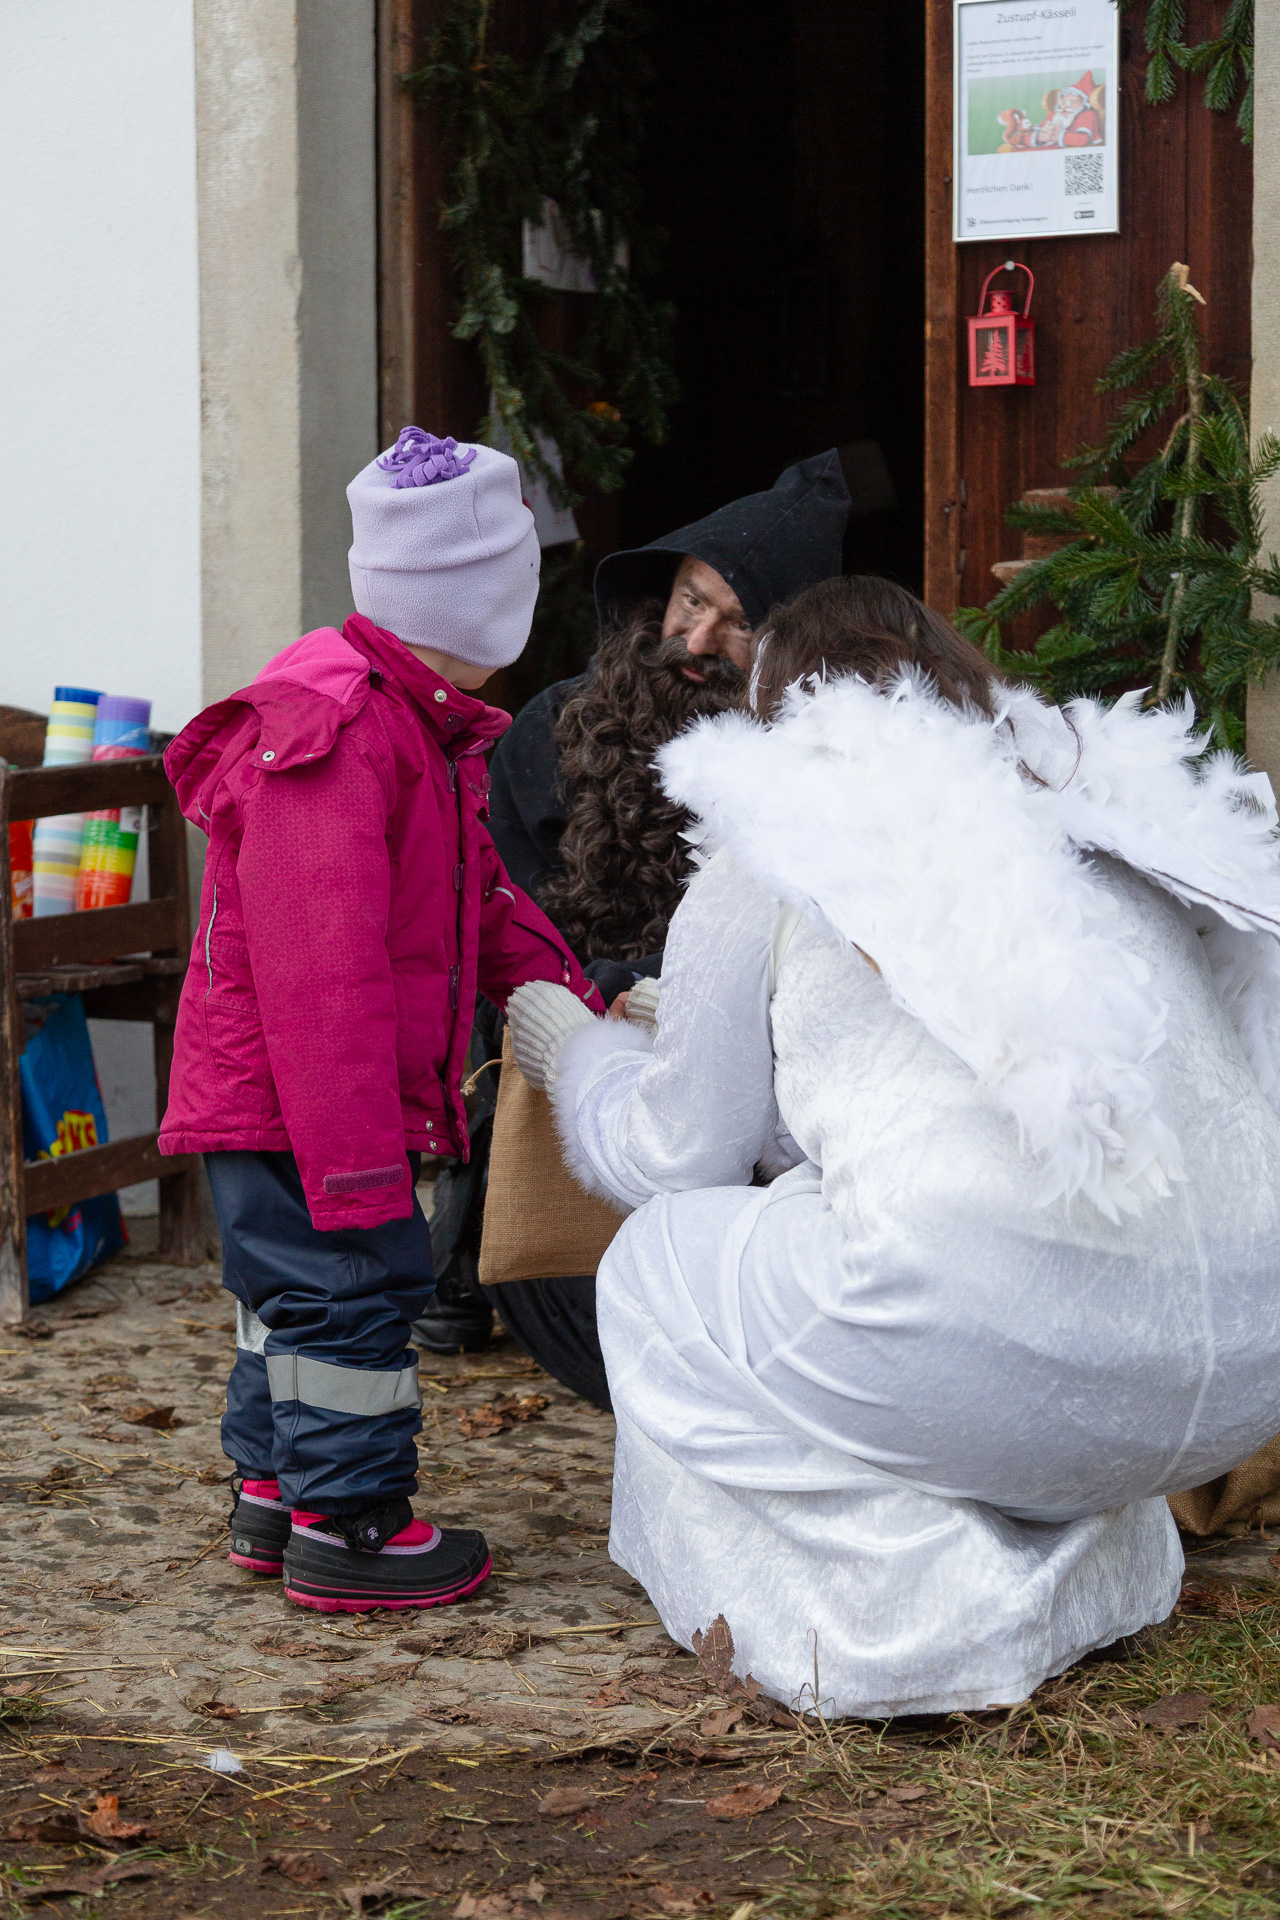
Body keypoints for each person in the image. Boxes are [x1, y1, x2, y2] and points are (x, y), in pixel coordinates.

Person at [505, 574, 1280, 1717]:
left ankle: (909, 1619)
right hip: (1243, 1364)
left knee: (659, 1262)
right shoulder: (1093, 810)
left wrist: (579, 1053)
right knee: (859, 1221)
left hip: (1007, 1342)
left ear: (775, 711)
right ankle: (1088, 1582)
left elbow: (674, 1156)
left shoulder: (777, 824)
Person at [159, 428, 600, 1614]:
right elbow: (324, 975)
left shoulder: (412, 724)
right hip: (304, 1103)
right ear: (478, 599)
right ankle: (351, 1527)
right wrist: (356, 1161)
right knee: (349, 1290)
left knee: (292, 1302)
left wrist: (576, 1001)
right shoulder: (345, 735)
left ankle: (276, 1494)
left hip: (304, 1101)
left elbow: (474, 902)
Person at [419, 446, 889, 1387]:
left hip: (739, 1070)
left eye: (739, 622)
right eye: (690, 601)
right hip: (565, 1026)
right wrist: (606, 996)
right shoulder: (553, 733)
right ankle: (474, 1252)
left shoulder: (816, 766)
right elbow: (502, 917)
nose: (698, 638)